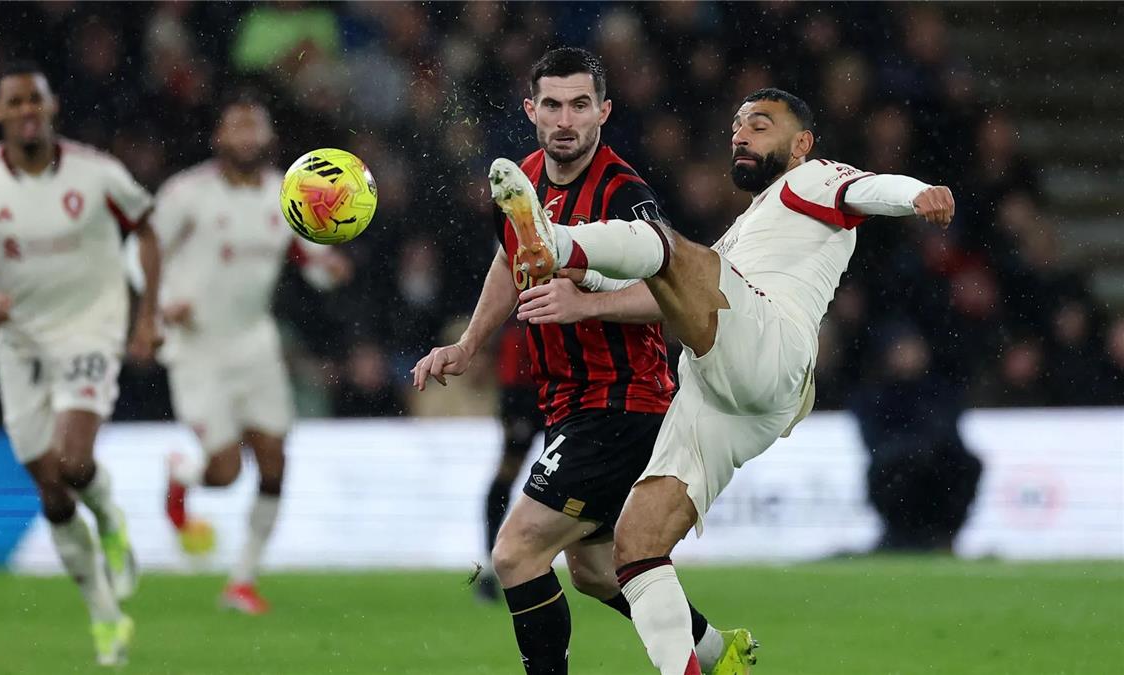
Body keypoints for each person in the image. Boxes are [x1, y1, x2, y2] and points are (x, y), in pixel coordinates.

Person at [488, 87, 955, 675]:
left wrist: (919, 195)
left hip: (772, 346)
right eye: (736, 125)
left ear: (802, 143)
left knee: (667, 247)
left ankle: (553, 239)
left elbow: (869, 188)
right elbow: (669, 289)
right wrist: (591, 290)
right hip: (724, 394)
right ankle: (699, 664)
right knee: (633, 547)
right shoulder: (743, 230)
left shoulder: (809, 180)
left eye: (760, 125)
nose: (741, 134)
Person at [412, 47, 727, 675]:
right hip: (567, 403)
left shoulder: (623, 191)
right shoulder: (524, 179)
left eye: (579, 105)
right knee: (594, 570)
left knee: (515, 553)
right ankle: (716, 652)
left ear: (603, 112)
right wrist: (469, 343)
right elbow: (511, 257)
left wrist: (584, 304)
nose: (565, 119)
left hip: (624, 402)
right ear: (531, 111)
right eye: (552, 105)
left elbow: (678, 293)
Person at [0, 62, 161, 666]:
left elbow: (147, 231)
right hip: (19, 341)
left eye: (35, 99)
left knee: (73, 458)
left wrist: (146, 318)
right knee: (53, 492)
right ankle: (104, 615)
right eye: (15, 102)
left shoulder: (97, 172)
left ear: (52, 105)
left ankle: (111, 517)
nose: (27, 110)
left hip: (91, 327)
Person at [153, 92, 350, 614]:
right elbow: (141, 252)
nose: (246, 137)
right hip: (196, 346)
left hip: (255, 342)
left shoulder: (286, 196)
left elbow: (312, 260)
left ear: (268, 139)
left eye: (254, 128)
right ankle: (182, 475)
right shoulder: (185, 193)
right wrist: (160, 305)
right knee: (224, 472)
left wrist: (328, 271)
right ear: (219, 138)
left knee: (274, 460)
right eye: (236, 128)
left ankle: (241, 580)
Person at [849, 322, 982, 554]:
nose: (910, 356)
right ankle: (901, 534)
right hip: (896, 472)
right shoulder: (875, 395)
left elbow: (950, 436)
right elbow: (874, 442)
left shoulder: (940, 391)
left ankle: (942, 536)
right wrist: (914, 450)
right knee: (900, 466)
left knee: (965, 465)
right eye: (902, 350)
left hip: (936, 473)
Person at [476, 320, 544, 603]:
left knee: (517, 478)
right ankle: (493, 562)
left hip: (559, 395)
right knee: (510, 476)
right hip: (527, 398)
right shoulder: (520, 328)